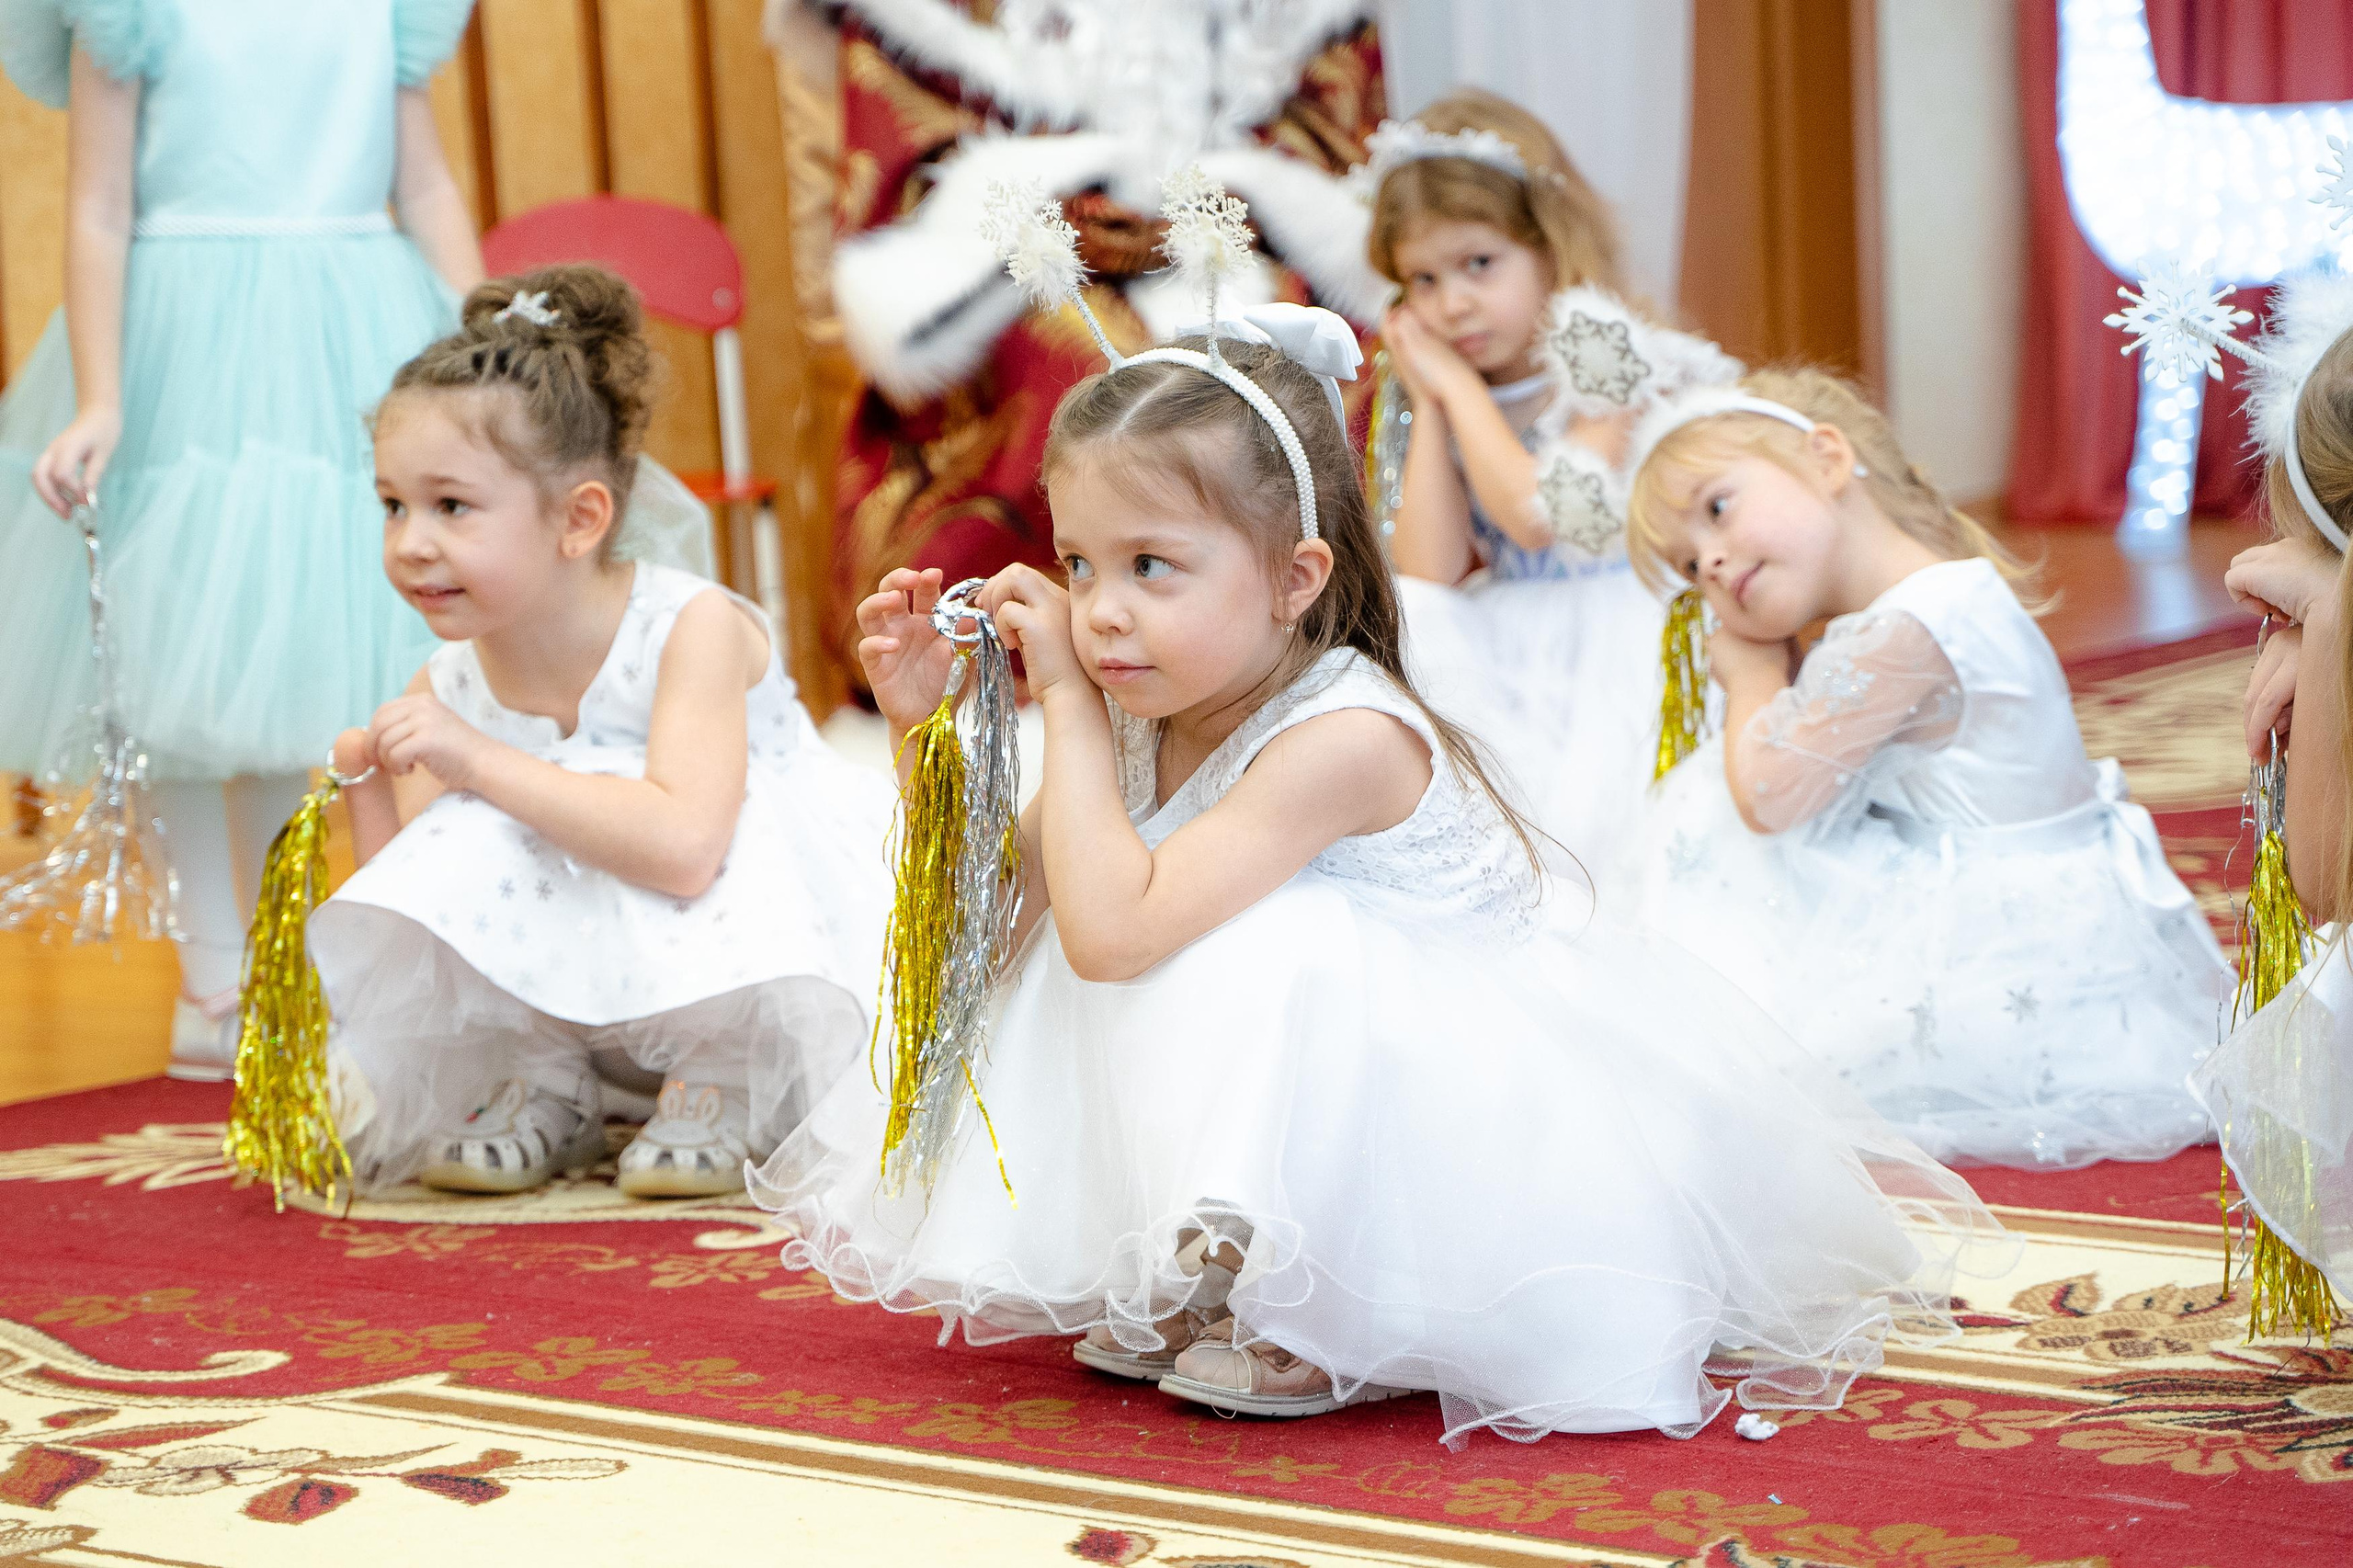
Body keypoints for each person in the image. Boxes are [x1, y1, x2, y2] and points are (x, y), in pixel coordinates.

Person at [754, 313, 2000, 1446]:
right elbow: (1010, 907)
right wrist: (932, 729)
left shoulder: (1342, 736)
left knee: (1261, 936)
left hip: (1469, 1132)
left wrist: (1066, 704)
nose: (1102, 612)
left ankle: (1329, 1300)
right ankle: (1212, 1265)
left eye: (1153, 566)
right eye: (1079, 565)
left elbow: (1114, 933)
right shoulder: (1160, 698)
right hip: (1315, 1063)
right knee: (1124, 905)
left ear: (1295, 579)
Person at [312, 267, 892, 1199]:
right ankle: (546, 1081)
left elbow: (685, 849)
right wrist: (371, 787)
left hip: (750, 947)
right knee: (483, 807)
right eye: (393, 505)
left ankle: (723, 1075)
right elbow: (427, 897)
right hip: (598, 965)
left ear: (580, 518)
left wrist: (478, 760)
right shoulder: (455, 676)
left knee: (583, 782)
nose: (411, 541)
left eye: (450, 505)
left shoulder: (689, 627)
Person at [0, 0, 484, 1078]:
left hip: (354, 325)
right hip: (182, 335)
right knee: (177, 662)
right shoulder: (123, 12)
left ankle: (277, 959)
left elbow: (428, 182)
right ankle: (212, 976)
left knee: (298, 676)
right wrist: (99, 398)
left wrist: (482, 334)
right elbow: (96, 204)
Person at [1624, 367, 2234, 1170]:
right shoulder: (1933, 599)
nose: (1708, 562)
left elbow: (1768, 796)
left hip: (2006, 953)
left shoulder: (1907, 630)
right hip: (2033, 903)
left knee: (1716, 817)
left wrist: (1752, 679)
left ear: (1828, 459)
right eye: (1687, 562)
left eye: (1716, 508)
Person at [1367, 90, 1732, 869]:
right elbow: (1428, 571)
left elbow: (1539, 516)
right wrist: (1426, 395)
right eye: (1422, 280)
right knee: (1417, 625)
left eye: (1479, 264)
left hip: (1621, 625)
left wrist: (1457, 390)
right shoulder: (1447, 379)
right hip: (1511, 631)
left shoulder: (1610, 359)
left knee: (1605, 828)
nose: (1452, 303)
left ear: (1551, 248)